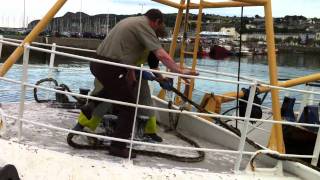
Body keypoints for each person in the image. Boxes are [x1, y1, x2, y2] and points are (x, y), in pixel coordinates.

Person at [90, 9, 197, 158]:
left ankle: (90, 106)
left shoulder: (131, 22)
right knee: (128, 107)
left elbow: (138, 59)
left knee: (116, 93)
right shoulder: (144, 27)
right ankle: (116, 145)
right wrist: (179, 71)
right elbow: (160, 55)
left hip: (104, 64)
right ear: (157, 22)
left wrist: (150, 77)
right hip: (112, 67)